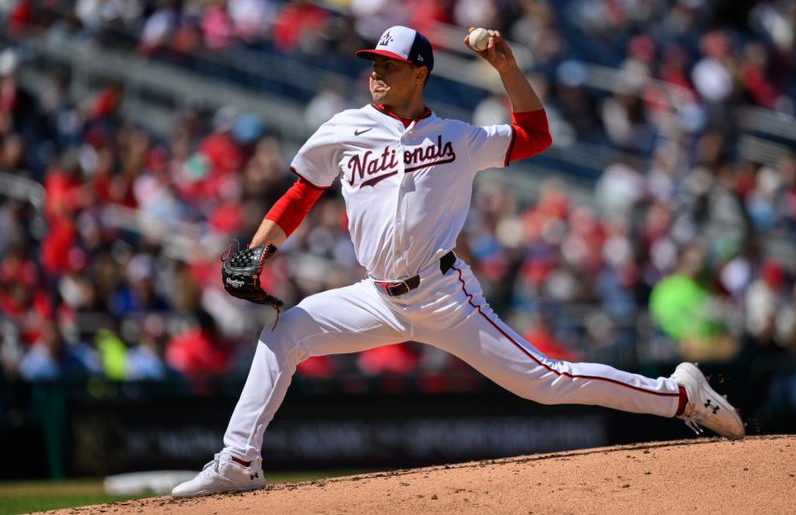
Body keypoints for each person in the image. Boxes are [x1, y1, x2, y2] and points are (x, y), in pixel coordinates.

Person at [172, 26, 745, 498]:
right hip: (375, 294)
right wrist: (257, 250)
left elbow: (535, 135)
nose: (376, 72)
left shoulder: (457, 137)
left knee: (547, 383)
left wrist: (505, 66)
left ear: (419, 73)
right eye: (373, 62)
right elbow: (299, 194)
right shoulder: (344, 130)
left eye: (389, 65)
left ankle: (679, 395)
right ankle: (239, 461)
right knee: (286, 330)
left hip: (445, 296)